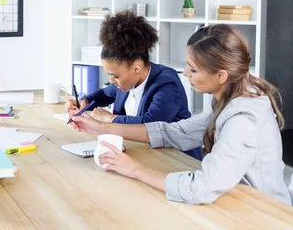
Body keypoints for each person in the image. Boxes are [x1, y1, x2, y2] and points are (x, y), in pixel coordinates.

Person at [70, 24, 291, 206]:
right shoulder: (228, 99)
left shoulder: (243, 118)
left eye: (193, 69)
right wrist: (103, 128)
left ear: (221, 75)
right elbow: (178, 132)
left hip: (262, 214)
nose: (185, 74)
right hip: (234, 201)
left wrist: (135, 170)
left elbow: (201, 188)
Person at [65, 10, 201, 160]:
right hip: (145, 155)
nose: (111, 81)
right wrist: (84, 102)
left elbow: (150, 125)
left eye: (115, 76)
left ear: (136, 68)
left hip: (178, 159)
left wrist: (110, 119)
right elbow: (104, 94)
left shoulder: (167, 83)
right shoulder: (126, 83)